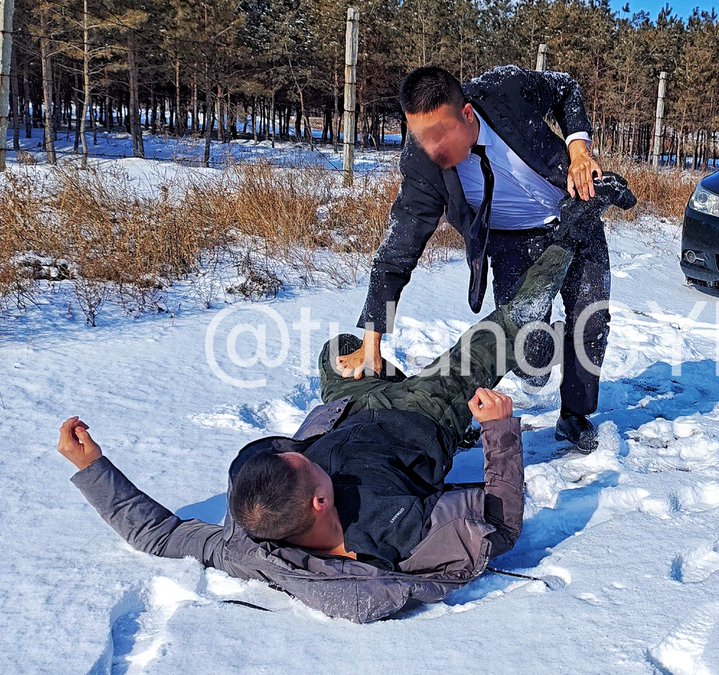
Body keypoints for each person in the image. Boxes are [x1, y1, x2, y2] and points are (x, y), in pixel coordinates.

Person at [58, 177, 636, 624]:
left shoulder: (251, 536)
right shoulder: (397, 530)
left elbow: (158, 535)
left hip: (355, 408)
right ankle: (579, 224)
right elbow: (499, 526)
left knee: (340, 349)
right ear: (317, 502)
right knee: (505, 326)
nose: (303, 450)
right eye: (305, 460)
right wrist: (500, 432)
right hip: (425, 409)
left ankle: (407, 370)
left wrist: (93, 469)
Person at [338, 64, 614, 451]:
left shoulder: (507, 91)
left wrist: (578, 150)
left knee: (590, 317)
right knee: (529, 353)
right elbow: (397, 250)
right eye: (421, 137)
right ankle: (543, 354)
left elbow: (566, 88)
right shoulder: (423, 165)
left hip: (575, 212)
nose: (432, 149)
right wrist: (372, 338)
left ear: (467, 114)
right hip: (512, 243)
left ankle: (574, 415)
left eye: (438, 135)